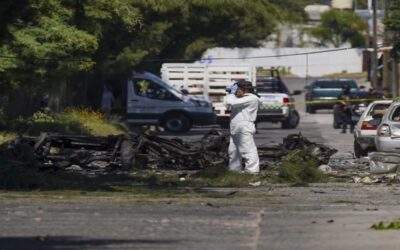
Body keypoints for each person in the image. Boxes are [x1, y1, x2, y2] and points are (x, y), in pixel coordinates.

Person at [225, 80, 261, 174]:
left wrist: (231, 93)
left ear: (245, 89)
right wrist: (232, 94)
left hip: (244, 127)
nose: (237, 90)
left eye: (238, 88)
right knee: (233, 152)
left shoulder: (252, 98)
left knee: (247, 150)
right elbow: (228, 103)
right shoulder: (239, 98)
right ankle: (234, 172)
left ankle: (252, 172)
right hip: (236, 127)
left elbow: (231, 103)